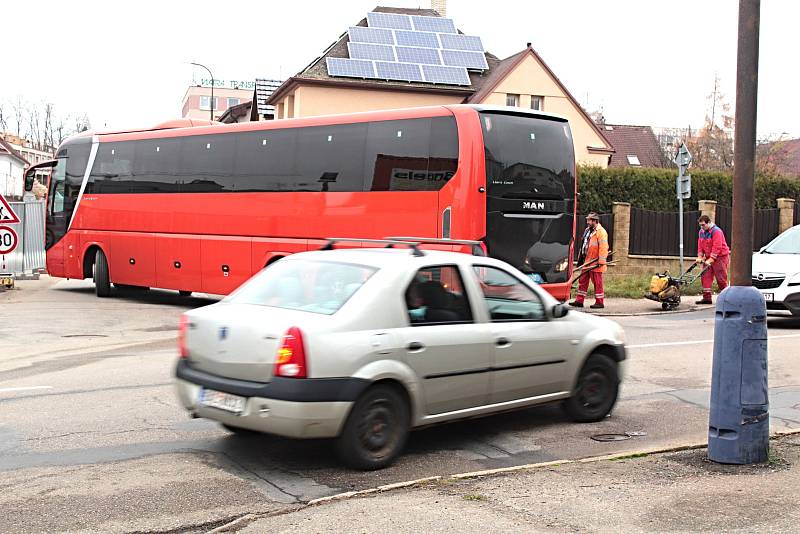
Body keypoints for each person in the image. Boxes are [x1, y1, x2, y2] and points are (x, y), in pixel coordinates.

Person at [569, 212, 609, 309]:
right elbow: (584, 245)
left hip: (595, 262)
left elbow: (604, 247)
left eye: (589, 220)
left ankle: (600, 302)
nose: (587, 222)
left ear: (595, 221)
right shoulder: (588, 230)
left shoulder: (601, 232)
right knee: (582, 281)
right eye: (587, 220)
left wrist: (601, 261)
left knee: (597, 283)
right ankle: (579, 300)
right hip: (587, 261)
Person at [695, 214, 730, 304]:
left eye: (703, 225)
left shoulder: (717, 231)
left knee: (721, 278)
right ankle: (707, 298)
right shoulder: (701, 232)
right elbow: (700, 245)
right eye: (700, 225)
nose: (702, 227)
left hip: (720, 257)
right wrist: (700, 256)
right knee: (705, 277)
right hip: (708, 257)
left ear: (709, 223)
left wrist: (712, 258)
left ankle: (726, 298)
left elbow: (717, 246)